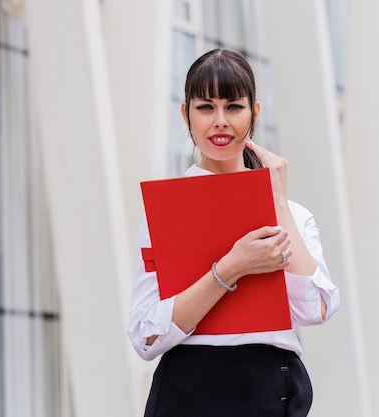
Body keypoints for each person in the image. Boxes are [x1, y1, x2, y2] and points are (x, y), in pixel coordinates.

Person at [127, 48, 340, 417]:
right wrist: (229, 269)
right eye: (206, 107)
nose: (220, 121)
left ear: (254, 113)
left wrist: (277, 201)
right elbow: (145, 337)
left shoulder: (293, 214)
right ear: (186, 114)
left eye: (234, 107)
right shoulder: (166, 212)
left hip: (270, 391)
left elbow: (315, 309)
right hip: (186, 392)